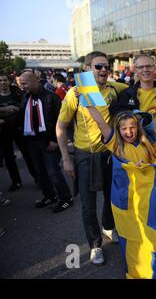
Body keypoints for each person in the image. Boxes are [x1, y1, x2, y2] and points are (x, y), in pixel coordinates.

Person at [56, 51, 128, 265]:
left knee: (109, 197)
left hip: (108, 153)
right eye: (98, 67)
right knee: (88, 204)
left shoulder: (115, 88)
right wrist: (66, 159)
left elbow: (137, 88)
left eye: (106, 66)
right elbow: (61, 127)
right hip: (84, 155)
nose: (103, 70)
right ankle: (95, 245)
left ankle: (108, 226)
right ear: (88, 68)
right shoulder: (74, 93)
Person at [19, 71, 73, 212]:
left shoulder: (51, 97)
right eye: (20, 84)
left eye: (24, 83)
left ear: (35, 81)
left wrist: (56, 140)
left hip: (49, 142)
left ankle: (66, 198)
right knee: (40, 172)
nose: (22, 87)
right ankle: (49, 196)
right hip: (32, 142)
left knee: (53, 173)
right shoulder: (25, 98)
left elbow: (62, 121)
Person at [0, 73, 38, 191]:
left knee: (27, 154)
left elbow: (27, 103)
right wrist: (4, 109)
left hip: (20, 128)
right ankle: (16, 181)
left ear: (8, 81)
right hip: (3, 130)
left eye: (5, 80)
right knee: (8, 157)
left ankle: (38, 178)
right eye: (0, 81)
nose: (3, 83)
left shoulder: (17, 91)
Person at [86, 107, 156, 164]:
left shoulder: (144, 140)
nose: (129, 132)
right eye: (124, 129)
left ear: (137, 127)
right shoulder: (116, 144)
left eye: (132, 127)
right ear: (118, 130)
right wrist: (88, 103)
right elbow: (100, 122)